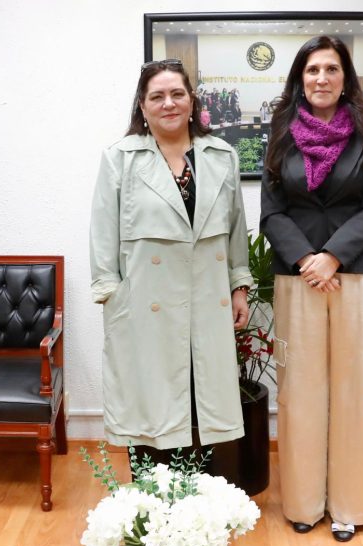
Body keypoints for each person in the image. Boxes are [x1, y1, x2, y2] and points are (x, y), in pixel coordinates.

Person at [260, 36, 363, 542]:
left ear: (345, 78)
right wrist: (306, 260)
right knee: (300, 391)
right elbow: (271, 210)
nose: (321, 78)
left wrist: (333, 256)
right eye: (312, 69)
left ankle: (352, 507)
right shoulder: (281, 129)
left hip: (358, 273)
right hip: (298, 276)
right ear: (301, 78)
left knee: (360, 391)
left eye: (331, 69)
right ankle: (303, 503)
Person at [90, 59, 253, 465]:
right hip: (146, 302)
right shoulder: (120, 158)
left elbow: (235, 227)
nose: (169, 103)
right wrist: (112, 294)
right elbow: (103, 232)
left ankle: (205, 498)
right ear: (142, 106)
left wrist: (239, 286)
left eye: (177, 94)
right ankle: (153, 496)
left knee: (205, 403)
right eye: (157, 96)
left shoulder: (221, 156)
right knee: (152, 403)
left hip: (207, 299)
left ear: (192, 101)